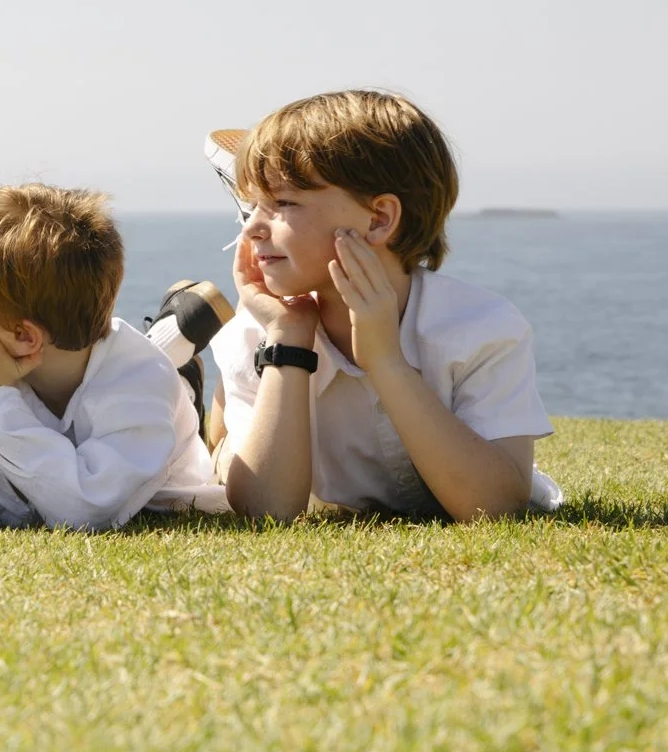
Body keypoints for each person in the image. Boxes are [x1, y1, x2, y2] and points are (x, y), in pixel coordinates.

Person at [206, 89, 562, 519]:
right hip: (248, 400)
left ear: (379, 219)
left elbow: (497, 505)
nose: (251, 230)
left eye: (283, 203)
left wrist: (386, 361)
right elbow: (266, 511)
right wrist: (288, 340)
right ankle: (190, 380)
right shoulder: (259, 331)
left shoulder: (482, 328)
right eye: (253, 207)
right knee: (215, 453)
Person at [0, 184, 225, 531]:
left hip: (159, 476)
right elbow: (5, 502)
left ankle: (179, 375)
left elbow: (87, 510)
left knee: (158, 377)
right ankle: (173, 349)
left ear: (24, 337)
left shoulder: (137, 383)